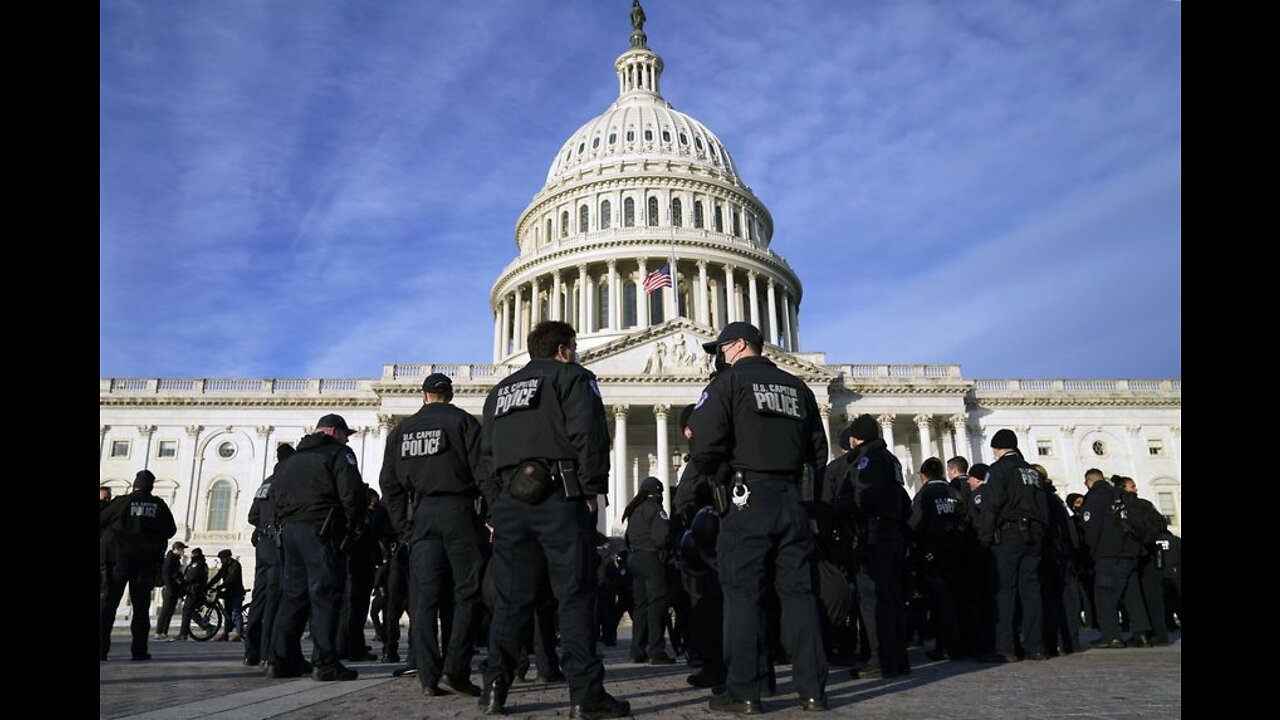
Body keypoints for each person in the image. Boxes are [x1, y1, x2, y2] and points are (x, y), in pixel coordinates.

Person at [478, 320, 629, 719]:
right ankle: (586, 695)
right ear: (563, 349)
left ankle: (495, 688)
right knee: (575, 596)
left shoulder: (500, 392)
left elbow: (485, 458)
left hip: (512, 501)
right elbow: (590, 436)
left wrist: (498, 504)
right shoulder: (572, 377)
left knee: (510, 600)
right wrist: (591, 491)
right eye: (574, 347)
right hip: (561, 496)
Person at [688, 321, 829, 714]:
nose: (718, 355)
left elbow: (703, 444)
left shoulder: (726, 385)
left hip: (746, 497)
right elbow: (819, 454)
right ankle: (813, 690)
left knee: (743, 597)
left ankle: (745, 693)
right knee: (800, 598)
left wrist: (719, 478)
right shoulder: (798, 387)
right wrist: (811, 507)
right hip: (791, 499)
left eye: (720, 348)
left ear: (736, 346)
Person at [380, 372, 488, 697]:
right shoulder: (465, 423)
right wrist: (492, 515)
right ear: (450, 395)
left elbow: (389, 484)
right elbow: (484, 473)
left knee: (423, 599)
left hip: (422, 514)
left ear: (424, 395)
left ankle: (428, 675)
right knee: (468, 593)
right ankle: (455, 668)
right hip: (459, 511)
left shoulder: (401, 431)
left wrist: (404, 527)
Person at [268, 413, 366, 681]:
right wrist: (353, 528)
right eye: (346, 434)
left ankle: (281, 659)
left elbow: (274, 498)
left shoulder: (289, 461)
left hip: (289, 531)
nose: (347, 439)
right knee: (325, 594)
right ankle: (325, 662)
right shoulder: (338, 454)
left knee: (293, 596)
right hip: (321, 530)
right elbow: (352, 494)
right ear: (334, 432)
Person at [836, 414, 911, 680]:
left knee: (872, 601)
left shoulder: (866, 459)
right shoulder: (891, 459)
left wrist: (840, 507)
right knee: (892, 598)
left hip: (872, 534)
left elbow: (864, 497)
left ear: (856, 438)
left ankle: (880, 659)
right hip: (893, 533)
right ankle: (898, 658)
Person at [976, 429, 1049, 661]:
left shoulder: (998, 470)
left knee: (1004, 591)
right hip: (1034, 535)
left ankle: (1006, 647)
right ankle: (1035, 646)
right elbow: (1043, 507)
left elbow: (991, 506)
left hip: (1008, 535)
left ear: (997, 449)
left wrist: (984, 539)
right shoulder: (1033, 473)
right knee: (1031, 591)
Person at [100, 469, 177, 661]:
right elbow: (170, 530)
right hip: (145, 561)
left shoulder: (121, 502)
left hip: (117, 558)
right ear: (151, 487)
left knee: (108, 604)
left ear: (134, 485)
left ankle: (101, 649)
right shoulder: (158, 505)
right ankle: (139, 650)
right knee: (141, 608)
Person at [908, 457, 980, 661]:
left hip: (935, 554)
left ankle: (947, 646)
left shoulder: (925, 495)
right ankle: (968, 644)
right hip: (959, 552)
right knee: (963, 600)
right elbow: (969, 519)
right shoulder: (955, 493)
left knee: (942, 603)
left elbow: (914, 524)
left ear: (923, 476)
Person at [1080, 468, 1150, 648]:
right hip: (1130, 551)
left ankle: (1111, 635)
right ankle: (1142, 634)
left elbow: (1090, 528)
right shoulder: (1121, 495)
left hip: (1108, 553)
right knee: (1132, 594)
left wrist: (1090, 552)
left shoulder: (1094, 497)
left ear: (1089, 482)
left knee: (1104, 595)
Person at [244, 442, 293, 667]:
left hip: (262, 542)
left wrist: (263, 525)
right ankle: (268, 652)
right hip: (277, 542)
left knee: (259, 597)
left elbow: (252, 515)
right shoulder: (286, 481)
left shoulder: (265, 483)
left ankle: (250, 651)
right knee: (276, 595)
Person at [622, 476, 675, 664]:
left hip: (634, 558)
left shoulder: (633, 510)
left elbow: (627, 538)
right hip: (651, 558)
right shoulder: (655, 509)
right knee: (657, 604)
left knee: (640, 606)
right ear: (658, 491)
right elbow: (663, 537)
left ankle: (637, 650)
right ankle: (656, 650)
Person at [210, 550, 246, 641]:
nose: (221, 561)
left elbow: (231, 578)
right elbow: (218, 576)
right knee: (227, 613)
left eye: (222, 559)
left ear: (227, 558)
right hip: (228, 592)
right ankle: (226, 634)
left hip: (237, 592)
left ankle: (238, 633)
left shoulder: (235, 565)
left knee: (237, 613)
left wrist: (221, 586)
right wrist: (208, 586)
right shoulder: (225, 566)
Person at [154, 541, 187, 639]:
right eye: (181, 549)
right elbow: (166, 575)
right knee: (165, 611)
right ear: (176, 549)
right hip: (169, 589)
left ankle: (164, 631)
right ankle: (158, 631)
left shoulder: (176, 559)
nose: (183, 551)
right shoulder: (170, 559)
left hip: (174, 589)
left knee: (170, 611)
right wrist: (170, 587)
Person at [176, 548, 209, 641]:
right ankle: (206, 625)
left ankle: (183, 634)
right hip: (194, 590)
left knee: (187, 611)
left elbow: (191, 576)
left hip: (194, 590)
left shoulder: (198, 564)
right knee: (189, 611)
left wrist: (183, 581)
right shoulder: (201, 564)